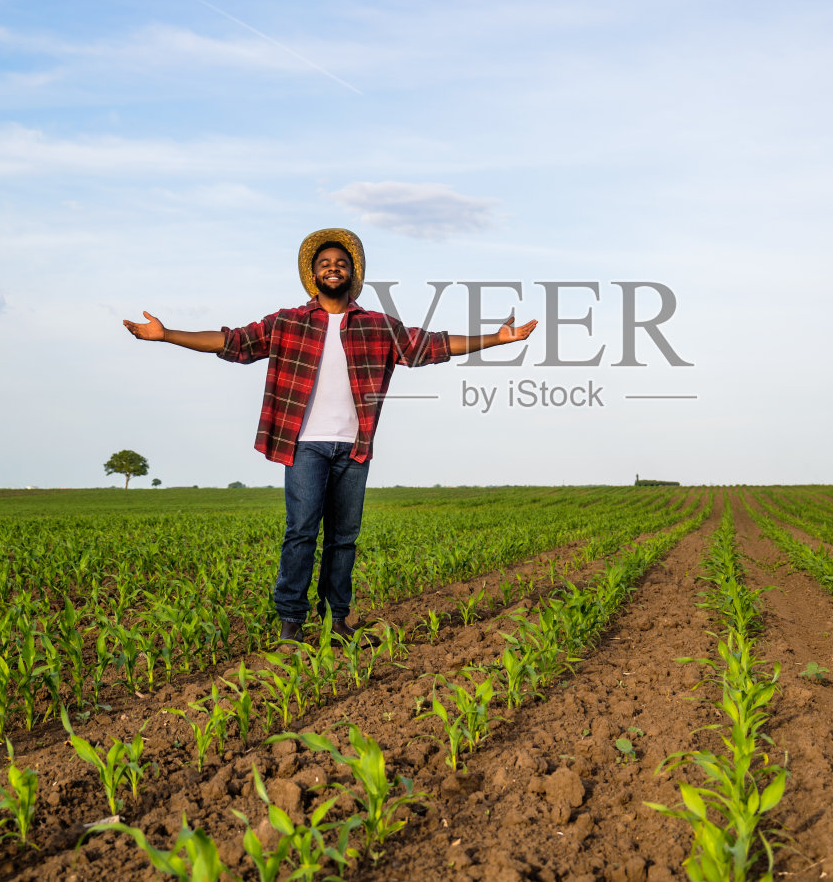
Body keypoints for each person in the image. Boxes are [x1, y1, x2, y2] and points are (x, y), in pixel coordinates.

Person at [122, 227, 537, 644]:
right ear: (313, 274)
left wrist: (497, 339)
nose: (333, 268)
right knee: (301, 530)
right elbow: (232, 342)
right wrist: (167, 334)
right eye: (325, 264)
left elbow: (431, 346)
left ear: (352, 273)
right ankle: (291, 624)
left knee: (344, 537)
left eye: (340, 263)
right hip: (303, 443)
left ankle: (337, 621)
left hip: (354, 447)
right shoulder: (287, 321)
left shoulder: (378, 325)